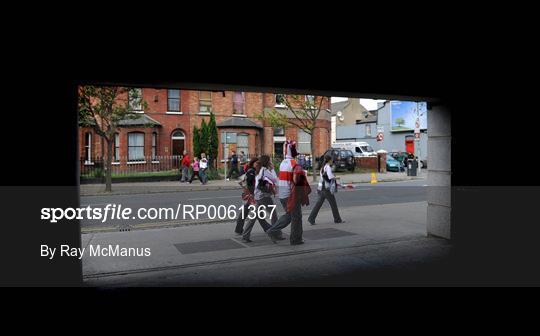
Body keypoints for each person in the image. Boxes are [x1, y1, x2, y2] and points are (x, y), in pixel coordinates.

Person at [266, 140, 310, 245]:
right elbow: (296, 181)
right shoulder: (293, 163)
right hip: (291, 196)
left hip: (282, 195)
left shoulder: (283, 163)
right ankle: (295, 239)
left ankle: (273, 231)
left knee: (290, 216)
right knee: (296, 218)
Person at [241, 155, 284, 242]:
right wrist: (272, 169)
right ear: (267, 162)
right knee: (274, 215)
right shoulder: (265, 170)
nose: (271, 162)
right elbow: (275, 180)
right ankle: (276, 234)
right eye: (270, 161)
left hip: (258, 196)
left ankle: (245, 235)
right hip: (264, 196)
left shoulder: (258, 170)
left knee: (254, 216)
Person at [307, 154, 344, 225]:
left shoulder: (322, 167)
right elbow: (330, 177)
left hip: (321, 188)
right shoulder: (328, 167)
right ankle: (337, 219)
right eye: (332, 160)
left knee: (318, 204)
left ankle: (311, 218)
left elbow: (324, 177)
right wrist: (337, 177)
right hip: (326, 188)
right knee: (333, 204)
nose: (332, 161)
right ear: (329, 160)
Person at [234, 157, 258, 235]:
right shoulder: (251, 171)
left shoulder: (252, 170)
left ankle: (239, 229)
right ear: (253, 163)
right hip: (249, 194)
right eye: (256, 163)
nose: (257, 164)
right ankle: (239, 229)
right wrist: (252, 194)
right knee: (247, 212)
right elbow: (250, 184)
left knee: (245, 212)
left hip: (247, 194)